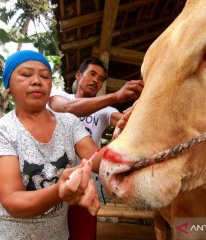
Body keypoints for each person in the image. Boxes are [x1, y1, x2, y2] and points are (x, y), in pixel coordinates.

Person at [0, 50, 101, 240]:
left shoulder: (70, 123)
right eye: (25, 74)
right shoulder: (0, 132)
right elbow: (13, 201)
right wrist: (59, 190)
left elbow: (97, 158)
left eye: (45, 76)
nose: (37, 80)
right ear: (8, 87)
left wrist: (128, 135)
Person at [49, 57, 143, 240]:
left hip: (84, 186)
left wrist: (138, 109)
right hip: (52, 180)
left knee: (83, 236)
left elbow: (127, 122)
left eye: (101, 78)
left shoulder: (105, 111)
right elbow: (67, 108)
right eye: (92, 74)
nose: (96, 80)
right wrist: (117, 96)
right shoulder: (60, 96)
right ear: (78, 75)